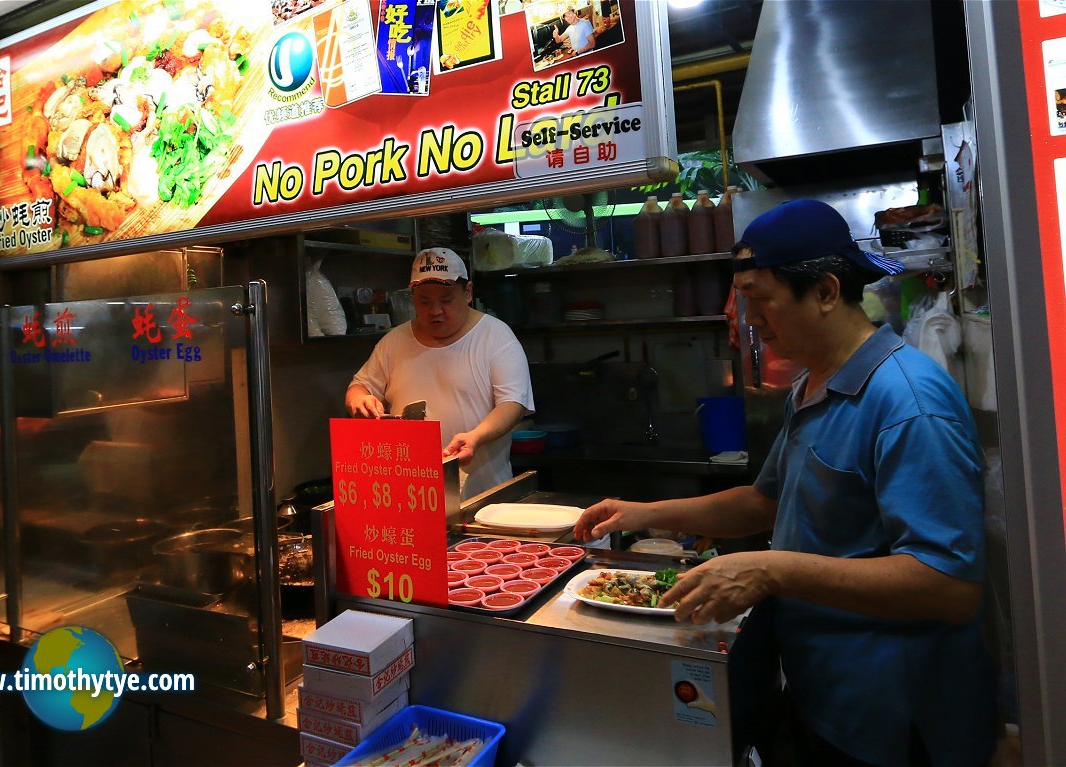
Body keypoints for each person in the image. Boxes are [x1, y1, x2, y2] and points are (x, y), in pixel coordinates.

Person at [574, 199, 996, 767]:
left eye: (759, 301)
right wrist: (643, 513)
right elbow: (762, 502)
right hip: (819, 689)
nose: (750, 321)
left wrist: (768, 569)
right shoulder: (813, 384)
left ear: (824, 291)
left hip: (892, 715)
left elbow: (949, 585)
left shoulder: (908, 403)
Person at [345, 247, 534, 500]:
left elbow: (512, 404)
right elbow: (359, 387)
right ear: (412, 298)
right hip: (412, 495)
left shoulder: (496, 337)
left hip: (482, 495)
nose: (435, 311)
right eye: (425, 301)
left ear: (467, 292)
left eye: (446, 300)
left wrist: (475, 437)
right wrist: (359, 400)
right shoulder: (394, 341)